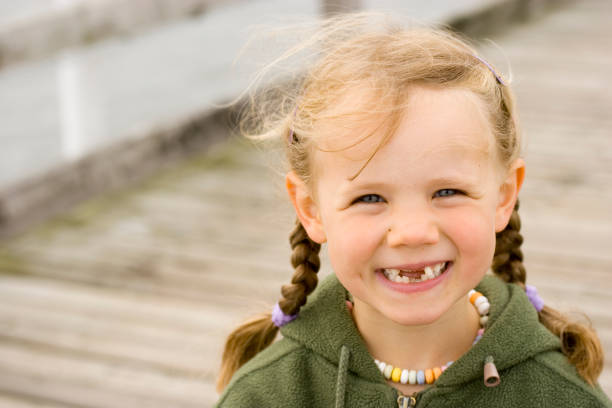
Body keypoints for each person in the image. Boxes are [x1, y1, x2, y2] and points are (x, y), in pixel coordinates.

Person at [214, 13, 611, 407]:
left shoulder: (562, 396)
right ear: (310, 209)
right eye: (370, 198)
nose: (413, 231)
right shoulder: (265, 396)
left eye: (447, 191)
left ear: (504, 196)